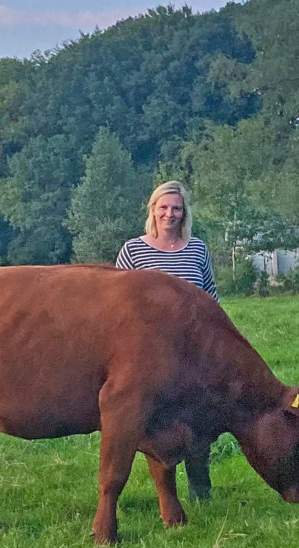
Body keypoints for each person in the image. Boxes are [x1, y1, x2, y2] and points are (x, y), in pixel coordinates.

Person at [116, 180, 218, 500]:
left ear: (184, 212)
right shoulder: (134, 250)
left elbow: (211, 299)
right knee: (160, 423)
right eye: (163, 207)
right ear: (152, 210)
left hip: (194, 354)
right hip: (151, 357)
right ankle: (166, 493)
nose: (169, 214)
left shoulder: (197, 248)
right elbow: (117, 305)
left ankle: (201, 490)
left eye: (176, 208)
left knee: (198, 422)